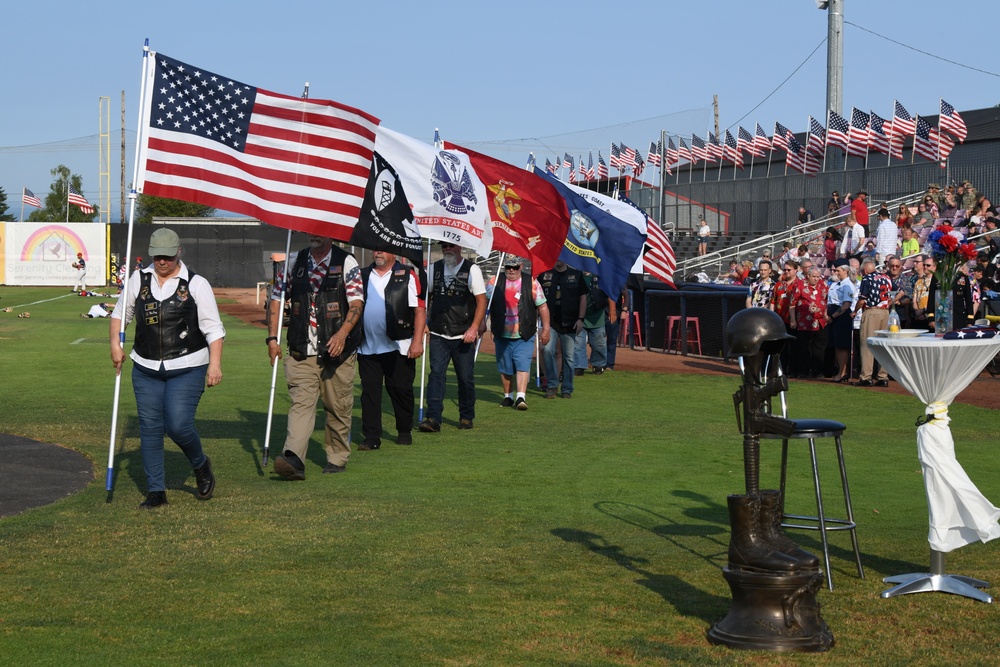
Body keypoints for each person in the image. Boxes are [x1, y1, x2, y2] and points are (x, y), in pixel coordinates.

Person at [109, 228, 224, 508]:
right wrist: (115, 344)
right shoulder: (138, 279)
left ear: (178, 252)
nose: (162, 262)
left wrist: (215, 365)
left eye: (168, 257)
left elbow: (213, 328)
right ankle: (156, 491)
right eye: (158, 256)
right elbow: (120, 315)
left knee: (178, 425)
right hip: (145, 367)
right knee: (149, 428)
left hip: (187, 366)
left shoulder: (197, 284)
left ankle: (200, 464)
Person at [266, 234, 364, 480]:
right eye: (310, 230)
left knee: (337, 406)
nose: (314, 235)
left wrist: (342, 334)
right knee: (301, 404)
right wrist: (272, 339)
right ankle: (294, 459)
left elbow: (356, 304)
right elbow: (276, 299)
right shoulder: (293, 262)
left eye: (319, 230)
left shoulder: (347, 261)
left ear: (330, 235)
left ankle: (337, 456)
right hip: (301, 351)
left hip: (337, 351)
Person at [357, 251, 425, 450]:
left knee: (401, 391)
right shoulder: (362, 274)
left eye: (382, 248)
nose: (377, 252)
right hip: (367, 346)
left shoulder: (408, 274)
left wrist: (417, 341)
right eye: (375, 248)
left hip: (399, 346)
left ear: (393, 253)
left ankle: (404, 431)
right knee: (369, 394)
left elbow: (419, 310)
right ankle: (371, 438)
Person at [418, 241, 487, 432]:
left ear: (460, 248)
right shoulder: (434, 269)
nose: (447, 249)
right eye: (444, 246)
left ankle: (466, 416)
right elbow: (425, 297)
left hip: (463, 333)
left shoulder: (472, 269)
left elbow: (481, 300)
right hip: (439, 332)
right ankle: (433, 418)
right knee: (436, 375)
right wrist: (423, 322)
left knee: (465, 377)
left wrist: (474, 328)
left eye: (451, 246)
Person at [488, 256, 550, 410]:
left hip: (524, 332)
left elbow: (542, 307)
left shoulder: (531, 282)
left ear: (521, 266)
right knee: (505, 367)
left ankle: (520, 397)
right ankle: (508, 396)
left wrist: (546, 329)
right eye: (508, 266)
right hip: (502, 332)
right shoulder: (494, 281)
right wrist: (482, 323)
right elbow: (485, 304)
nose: (511, 270)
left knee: (523, 364)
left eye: (515, 267)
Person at [539, 260, 586, 398]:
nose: (558, 260)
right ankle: (552, 385)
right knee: (547, 350)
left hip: (570, 323)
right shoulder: (545, 275)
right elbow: (537, 296)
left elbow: (583, 298)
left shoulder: (576, 275)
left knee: (569, 358)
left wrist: (581, 319)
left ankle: (567, 388)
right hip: (550, 322)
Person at [852, 258, 891, 387]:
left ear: (863, 270)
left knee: (867, 344)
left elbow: (862, 300)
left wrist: (854, 311)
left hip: (871, 311)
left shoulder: (867, 279)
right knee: (883, 345)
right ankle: (883, 377)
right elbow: (900, 291)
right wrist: (889, 303)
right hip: (885, 312)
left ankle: (866, 377)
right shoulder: (886, 277)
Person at [789, 267, 829, 378]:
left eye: (818, 277)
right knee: (804, 348)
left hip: (820, 321)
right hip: (804, 322)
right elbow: (792, 304)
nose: (816, 279)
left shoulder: (824, 285)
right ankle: (803, 372)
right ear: (808, 276)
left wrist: (825, 314)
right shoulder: (800, 285)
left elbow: (826, 301)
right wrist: (793, 319)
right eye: (814, 277)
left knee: (819, 348)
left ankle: (817, 372)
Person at [575, 272, 615, 374]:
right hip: (579, 315)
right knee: (578, 342)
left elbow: (610, 293)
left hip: (597, 315)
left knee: (599, 342)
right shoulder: (576, 275)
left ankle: (599, 365)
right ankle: (579, 366)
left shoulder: (600, 275)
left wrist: (612, 311)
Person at [827, 259, 856, 382]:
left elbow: (845, 305)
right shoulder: (836, 284)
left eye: (838, 270)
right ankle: (840, 371)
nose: (835, 272)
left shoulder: (847, 285)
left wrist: (833, 316)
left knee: (842, 346)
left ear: (845, 271)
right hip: (834, 313)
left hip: (841, 316)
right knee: (837, 345)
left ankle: (843, 372)